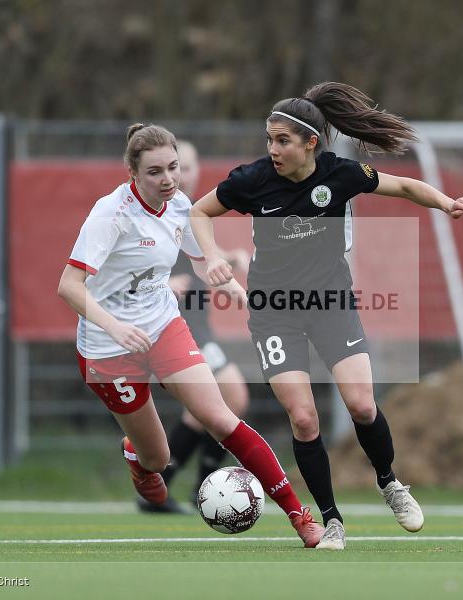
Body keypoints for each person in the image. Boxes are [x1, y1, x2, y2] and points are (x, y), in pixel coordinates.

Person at [190, 82, 463, 550]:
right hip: (274, 311)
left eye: (282, 141)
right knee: (303, 420)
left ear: (311, 143)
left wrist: (447, 203)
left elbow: (403, 185)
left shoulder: (340, 174)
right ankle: (332, 521)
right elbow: (199, 213)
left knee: (362, 404)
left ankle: (389, 482)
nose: (273, 149)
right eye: (269, 140)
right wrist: (214, 256)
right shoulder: (253, 179)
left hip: (330, 303)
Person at [57, 123, 325, 547]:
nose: (168, 180)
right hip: (107, 348)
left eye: (173, 168)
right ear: (132, 172)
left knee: (221, 418)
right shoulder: (111, 214)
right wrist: (116, 327)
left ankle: (300, 516)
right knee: (156, 457)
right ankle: (137, 459)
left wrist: (239, 293)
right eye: (155, 172)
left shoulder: (180, 205)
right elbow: (69, 285)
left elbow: (205, 265)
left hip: (163, 327)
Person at [137, 140, 252, 514]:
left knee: (207, 409)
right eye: (171, 168)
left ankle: (165, 489)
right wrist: (158, 284)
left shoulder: (192, 211)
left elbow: (199, 263)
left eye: (185, 167)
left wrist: (229, 260)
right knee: (231, 396)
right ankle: (197, 488)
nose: (178, 176)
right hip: (174, 326)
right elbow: (123, 268)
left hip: (199, 323)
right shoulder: (151, 212)